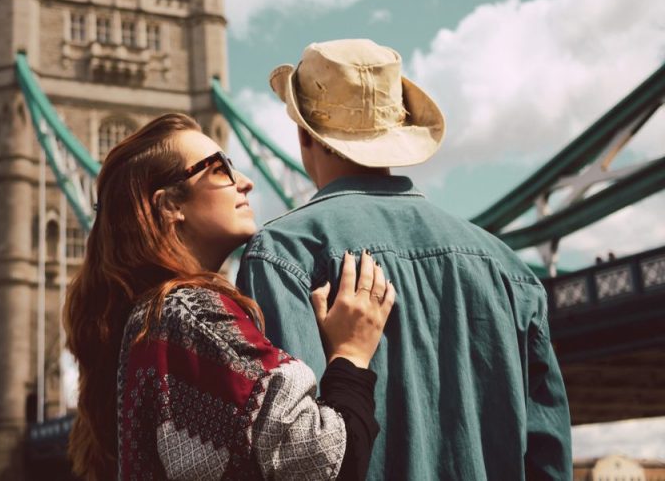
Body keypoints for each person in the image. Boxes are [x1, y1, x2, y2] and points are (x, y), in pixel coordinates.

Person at [236, 39, 572, 480]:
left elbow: (289, 455)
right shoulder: (509, 269)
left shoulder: (283, 254)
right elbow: (549, 455)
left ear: (304, 134)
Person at [64, 113, 396, 481]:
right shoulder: (190, 314)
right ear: (170, 205)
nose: (246, 182)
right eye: (220, 169)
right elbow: (326, 461)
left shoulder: (153, 321)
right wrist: (351, 353)